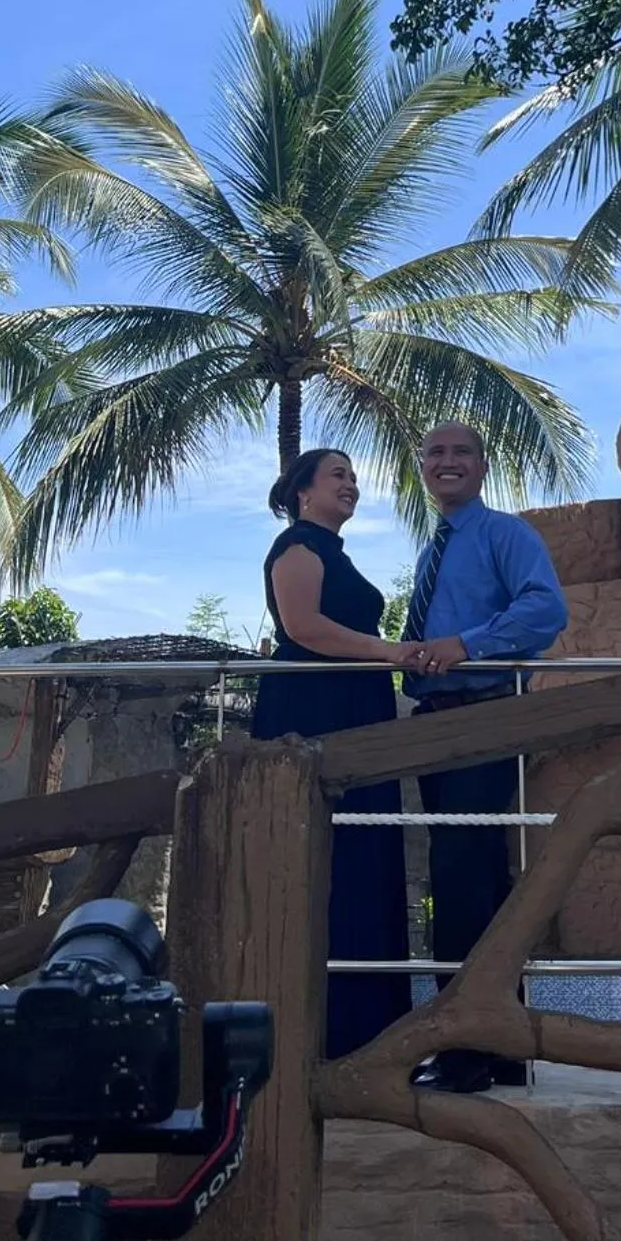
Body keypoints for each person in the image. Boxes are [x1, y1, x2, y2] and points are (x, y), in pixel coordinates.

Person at [401, 423, 569, 1094]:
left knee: (463, 879)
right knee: (478, 881)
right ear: (422, 467)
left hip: (483, 715)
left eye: (460, 452)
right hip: (438, 723)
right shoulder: (433, 549)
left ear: (482, 465)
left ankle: (465, 1052)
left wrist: (467, 645)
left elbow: (545, 610)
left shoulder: (505, 534)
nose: (447, 462)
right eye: (435, 453)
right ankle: (503, 1047)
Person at [252, 447, 420, 1059]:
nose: (352, 484)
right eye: (338, 475)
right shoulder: (299, 547)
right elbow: (304, 628)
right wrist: (389, 651)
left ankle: (365, 1026)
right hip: (314, 710)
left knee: (363, 855)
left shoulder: (333, 552)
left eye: (354, 474)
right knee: (328, 853)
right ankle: (324, 1025)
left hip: (352, 708)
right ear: (303, 492)